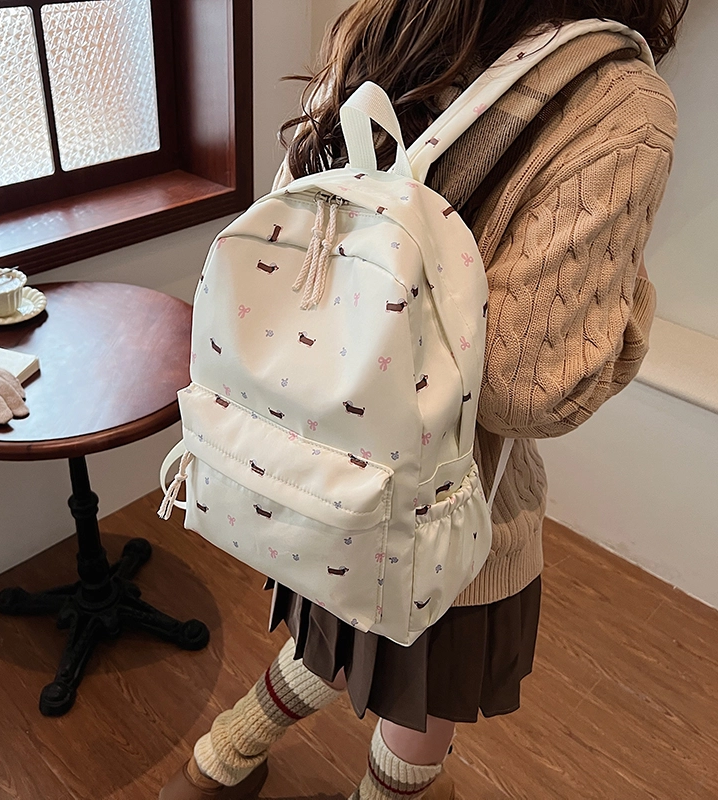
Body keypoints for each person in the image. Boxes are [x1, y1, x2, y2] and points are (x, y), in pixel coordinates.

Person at [159, 1, 688, 798]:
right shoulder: (619, 96)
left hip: (307, 452)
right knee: (421, 695)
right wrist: (631, 303)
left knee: (330, 625)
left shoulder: (384, 19)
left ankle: (221, 759)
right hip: (445, 509)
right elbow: (529, 391)